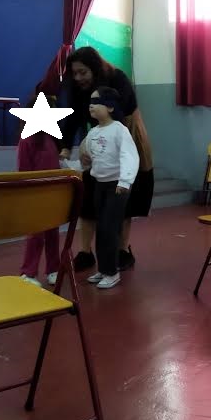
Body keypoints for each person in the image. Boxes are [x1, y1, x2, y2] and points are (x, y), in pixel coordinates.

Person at [58, 47, 154, 273]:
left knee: (124, 200)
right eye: (75, 73)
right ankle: (85, 252)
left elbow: (117, 116)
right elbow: (73, 117)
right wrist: (66, 147)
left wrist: (91, 140)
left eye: (83, 72)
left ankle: (122, 251)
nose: (78, 78)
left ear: (95, 69)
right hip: (99, 141)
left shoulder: (117, 79)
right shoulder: (79, 89)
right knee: (88, 198)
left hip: (127, 135)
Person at [75, 87, 139, 289]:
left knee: (110, 228)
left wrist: (124, 181)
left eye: (97, 102)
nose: (91, 106)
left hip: (116, 186)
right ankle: (103, 269)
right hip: (99, 186)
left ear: (110, 107)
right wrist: (78, 166)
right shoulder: (93, 132)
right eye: (90, 102)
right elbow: (90, 157)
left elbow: (129, 156)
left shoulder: (119, 130)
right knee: (101, 228)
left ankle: (112, 272)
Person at [18, 94, 61, 288]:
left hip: (53, 194)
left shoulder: (50, 138)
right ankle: (28, 272)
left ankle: (53, 269)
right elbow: (23, 171)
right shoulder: (27, 140)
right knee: (36, 234)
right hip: (35, 195)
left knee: (52, 234)